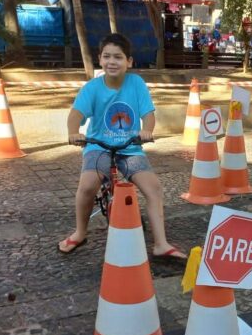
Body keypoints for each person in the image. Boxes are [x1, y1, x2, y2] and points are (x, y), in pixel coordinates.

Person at [60, 33, 185, 259]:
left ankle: (161, 243)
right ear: (100, 59)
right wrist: (73, 132)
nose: (112, 61)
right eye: (106, 56)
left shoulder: (136, 83)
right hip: (98, 146)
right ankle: (80, 232)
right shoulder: (92, 88)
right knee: (88, 185)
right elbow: (75, 115)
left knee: (154, 187)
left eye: (118, 57)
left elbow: (148, 114)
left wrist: (147, 130)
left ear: (129, 61)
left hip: (130, 147)